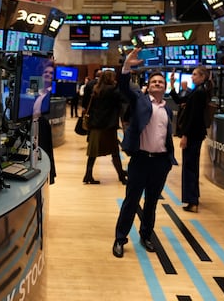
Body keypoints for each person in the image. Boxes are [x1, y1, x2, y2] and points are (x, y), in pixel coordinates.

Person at [113, 48, 177, 258]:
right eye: (154, 82)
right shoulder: (139, 100)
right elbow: (123, 86)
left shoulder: (167, 109)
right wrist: (126, 67)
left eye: (161, 82)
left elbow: (166, 136)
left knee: (151, 203)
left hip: (160, 163)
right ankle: (120, 238)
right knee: (131, 201)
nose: (157, 84)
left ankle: (146, 235)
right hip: (140, 160)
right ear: (148, 86)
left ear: (165, 87)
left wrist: (169, 160)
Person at [169, 66, 212, 213]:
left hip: (193, 135)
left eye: (194, 74)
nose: (192, 77)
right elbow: (179, 99)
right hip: (195, 134)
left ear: (202, 77)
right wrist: (172, 85)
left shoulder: (199, 93)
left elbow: (193, 117)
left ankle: (192, 201)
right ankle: (193, 198)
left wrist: (185, 136)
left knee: (190, 168)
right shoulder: (197, 91)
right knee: (190, 167)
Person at [82, 69, 126, 185]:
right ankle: (121, 176)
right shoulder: (114, 91)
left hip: (95, 125)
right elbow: (122, 101)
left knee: (92, 153)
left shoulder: (96, 89)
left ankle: (88, 175)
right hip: (108, 126)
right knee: (114, 152)